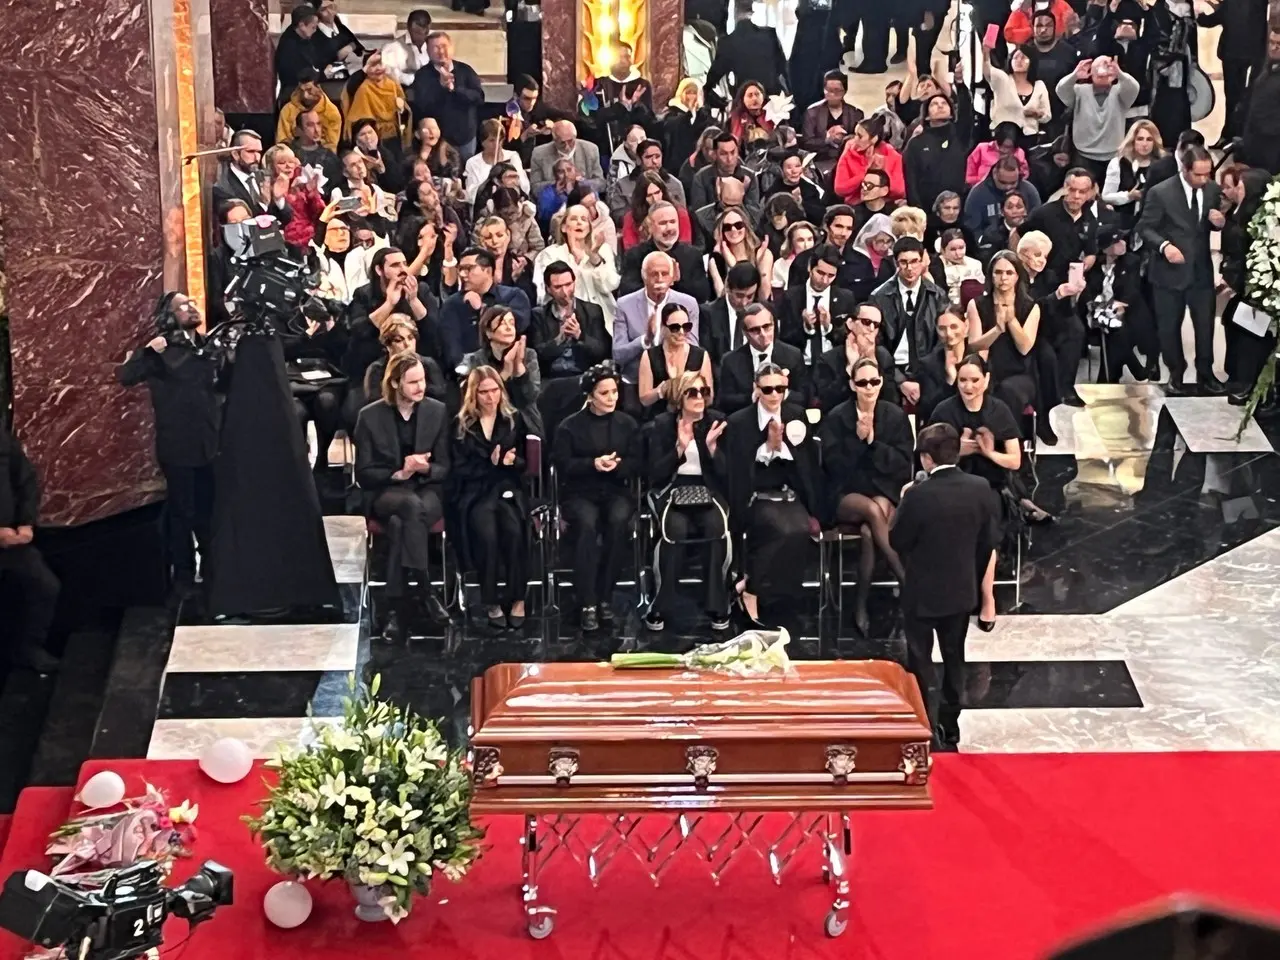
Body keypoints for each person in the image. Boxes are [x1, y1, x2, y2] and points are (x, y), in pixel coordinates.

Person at [889, 422, 998, 749]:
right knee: (954, 657)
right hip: (960, 591)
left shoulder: (918, 495)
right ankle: (951, 724)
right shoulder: (980, 488)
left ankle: (925, 722)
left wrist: (904, 500)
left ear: (925, 458)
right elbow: (988, 541)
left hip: (921, 594)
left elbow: (897, 540)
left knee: (920, 659)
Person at [116, 293, 219, 592]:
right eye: (182, 306)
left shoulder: (207, 346)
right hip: (178, 443)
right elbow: (126, 376)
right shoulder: (162, 351)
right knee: (182, 511)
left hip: (209, 440)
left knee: (208, 508)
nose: (190, 308)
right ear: (170, 315)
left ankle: (212, 565)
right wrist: (148, 352)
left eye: (191, 304)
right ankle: (184, 574)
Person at [354, 352, 452, 639]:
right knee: (408, 505)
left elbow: (445, 467)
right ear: (395, 383)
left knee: (401, 524)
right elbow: (364, 474)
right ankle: (425, 588)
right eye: (412, 382)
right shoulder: (369, 417)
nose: (421, 387)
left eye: (422, 380)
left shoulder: (437, 411)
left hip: (427, 490)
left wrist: (424, 468)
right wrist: (398, 474)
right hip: (387, 491)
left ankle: (395, 609)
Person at [819, 356, 912, 635]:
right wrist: (858, 442)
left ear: (881, 383)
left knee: (871, 531)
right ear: (852, 384)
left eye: (874, 382)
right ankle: (906, 579)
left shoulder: (894, 416)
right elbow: (832, 467)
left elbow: (903, 464)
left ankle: (860, 604)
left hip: (883, 489)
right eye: (862, 383)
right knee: (872, 511)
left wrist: (873, 442)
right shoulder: (837, 417)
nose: (869, 387)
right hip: (844, 493)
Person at [724, 363, 821, 626]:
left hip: (788, 493)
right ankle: (753, 589)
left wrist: (783, 448)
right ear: (756, 390)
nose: (775, 395)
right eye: (768, 389)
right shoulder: (739, 421)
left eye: (780, 389)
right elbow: (736, 470)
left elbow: (807, 461)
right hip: (755, 496)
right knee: (781, 530)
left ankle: (777, 593)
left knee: (800, 530)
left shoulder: (796, 415)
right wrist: (766, 449)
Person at [552, 363, 639, 630]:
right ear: (590, 396)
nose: (612, 398)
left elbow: (639, 463)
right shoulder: (569, 427)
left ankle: (605, 597)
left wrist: (618, 465)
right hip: (580, 491)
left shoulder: (628, 423)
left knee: (618, 520)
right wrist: (593, 464)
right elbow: (562, 464)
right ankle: (587, 600)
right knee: (587, 526)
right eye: (605, 393)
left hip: (615, 489)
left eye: (614, 392)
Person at [644, 369, 732, 632]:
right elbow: (654, 475)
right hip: (672, 486)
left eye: (703, 392)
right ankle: (661, 603)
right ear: (678, 397)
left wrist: (712, 449)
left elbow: (728, 475)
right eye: (691, 392)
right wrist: (679, 449)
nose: (699, 398)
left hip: (709, 488)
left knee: (717, 528)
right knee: (675, 530)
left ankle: (717, 602)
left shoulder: (718, 422)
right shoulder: (662, 424)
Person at [1135, 145, 1227, 395]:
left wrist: (1218, 223)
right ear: (1185, 170)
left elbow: (1212, 221)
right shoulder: (1160, 193)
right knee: (1169, 327)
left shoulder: (1212, 191)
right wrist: (1165, 247)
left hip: (1201, 273)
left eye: (1207, 174)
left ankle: (1206, 374)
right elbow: (1145, 228)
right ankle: (1175, 373)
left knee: (1205, 326)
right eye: (1198, 174)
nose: (1204, 179)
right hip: (1168, 273)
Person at [450, 366, 531, 630]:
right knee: (487, 534)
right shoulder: (462, 425)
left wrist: (510, 461)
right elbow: (458, 468)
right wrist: (491, 461)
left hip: (507, 487)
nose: (490, 397)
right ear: (473, 394)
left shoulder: (513, 420)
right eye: (484, 392)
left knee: (513, 530)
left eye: (495, 390)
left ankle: (518, 597)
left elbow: (527, 463)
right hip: (475, 491)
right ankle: (491, 600)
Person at [0, 426, 60, 673]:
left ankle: (28, 649)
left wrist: (25, 523)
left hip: (12, 540)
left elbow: (25, 479)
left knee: (46, 585)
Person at [530, 261, 612, 430]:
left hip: (582, 374)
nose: (565, 291)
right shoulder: (539, 315)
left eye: (568, 284)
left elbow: (602, 350)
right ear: (548, 289)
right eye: (558, 286)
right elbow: (537, 354)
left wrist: (579, 335)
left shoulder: (592, 310)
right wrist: (559, 339)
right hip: (551, 378)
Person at [966, 251, 1040, 424]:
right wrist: (997, 330)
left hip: (1020, 372)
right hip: (987, 368)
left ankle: (1008, 442)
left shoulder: (1031, 307)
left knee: (1008, 392)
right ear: (990, 276)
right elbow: (974, 346)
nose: (1003, 278)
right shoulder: (976, 305)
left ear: (1017, 276)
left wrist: (1011, 320)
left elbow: (1025, 347)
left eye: (1009, 273)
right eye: (998, 272)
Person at [438, 247, 533, 370]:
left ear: (488, 271)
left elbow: (520, 324)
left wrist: (483, 309)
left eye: (468, 269)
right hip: (468, 372)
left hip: (509, 367)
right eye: (460, 269)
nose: (462, 274)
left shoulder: (513, 296)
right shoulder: (452, 304)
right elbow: (451, 348)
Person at [870, 237, 948, 386]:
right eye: (904, 262)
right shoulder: (879, 297)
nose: (909, 268)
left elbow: (943, 338)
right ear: (896, 263)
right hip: (891, 372)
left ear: (922, 261)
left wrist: (927, 372)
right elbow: (876, 343)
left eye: (914, 261)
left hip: (930, 370)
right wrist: (899, 380)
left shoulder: (937, 295)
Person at [613, 250, 701, 382]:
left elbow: (694, 348)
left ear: (672, 278)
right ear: (644, 276)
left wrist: (669, 339)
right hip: (636, 380)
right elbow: (618, 355)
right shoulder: (624, 305)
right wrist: (646, 340)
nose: (660, 279)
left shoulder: (688, 304)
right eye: (654, 274)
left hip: (676, 379)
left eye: (665, 274)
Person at [1081, 224, 1151, 384]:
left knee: (1118, 332)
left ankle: (1106, 379)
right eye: (1118, 241)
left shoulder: (1131, 261)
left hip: (1128, 311)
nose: (1123, 243)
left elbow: (1131, 291)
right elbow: (1089, 292)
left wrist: (1114, 308)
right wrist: (1098, 308)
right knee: (1116, 332)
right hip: (1099, 311)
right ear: (1106, 248)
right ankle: (1134, 369)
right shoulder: (1096, 266)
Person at [1056, 57, 1140, 185]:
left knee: (1111, 195)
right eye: (1098, 67)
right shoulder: (1080, 91)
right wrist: (1075, 75)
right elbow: (1061, 90)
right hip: (1083, 155)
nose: (1103, 70)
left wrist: (1120, 73)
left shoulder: (1120, 92)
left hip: (1113, 155)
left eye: (1107, 66)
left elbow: (1134, 87)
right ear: (1091, 73)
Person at [533, 204, 620, 324]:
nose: (579, 223)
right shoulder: (549, 254)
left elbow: (611, 285)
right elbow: (542, 295)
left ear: (589, 227)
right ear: (563, 227)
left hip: (602, 318)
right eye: (574, 219)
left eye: (584, 219)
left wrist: (595, 258)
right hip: (562, 319)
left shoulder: (602, 250)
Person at [717, 302, 808, 414]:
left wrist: (781, 393)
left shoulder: (793, 355)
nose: (763, 334)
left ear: (774, 325)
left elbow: (804, 396)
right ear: (745, 333)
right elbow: (724, 401)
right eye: (755, 330)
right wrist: (754, 396)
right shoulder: (730, 361)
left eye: (767, 327)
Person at [1017, 166, 1098, 284]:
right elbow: (1017, 234)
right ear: (1064, 188)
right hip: (1040, 282)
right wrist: (1022, 267)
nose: (1076, 196)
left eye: (1082, 192)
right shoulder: (1044, 214)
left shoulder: (1090, 220)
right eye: (1072, 189)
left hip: (1067, 283)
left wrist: (1083, 267)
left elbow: (1091, 253)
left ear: (1089, 193)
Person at [618, 201, 712, 302]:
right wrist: (656, 285)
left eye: (673, 222)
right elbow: (626, 292)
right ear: (650, 227)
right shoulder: (635, 255)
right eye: (663, 223)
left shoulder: (693, 254)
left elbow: (702, 295)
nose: (669, 228)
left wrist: (677, 281)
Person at [781, 243, 857, 365]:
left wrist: (829, 328)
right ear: (810, 268)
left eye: (831, 276)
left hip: (833, 366)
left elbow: (849, 339)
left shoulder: (845, 298)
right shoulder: (791, 297)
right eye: (820, 273)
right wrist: (806, 328)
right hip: (802, 366)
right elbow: (784, 340)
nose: (825, 280)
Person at [814, 303, 899, 411]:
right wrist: (851, 369)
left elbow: (892, 401)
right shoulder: (828, 360)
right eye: (866, 322)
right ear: (850, 323)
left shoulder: (884, 357)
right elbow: (827, 402)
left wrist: (873, 365)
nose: (872, 329)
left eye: (876, 325)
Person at [414, 33, 485, 159]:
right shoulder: (422, 75)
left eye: (444, 46)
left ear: (451, 47)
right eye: (435, 47)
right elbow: (422, 106)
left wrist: (454, 89)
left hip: (466, 136)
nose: (441, 51)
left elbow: (478, 97)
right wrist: (441, 87)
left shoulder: (465, 70)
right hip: (439, 140)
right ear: (428, 52)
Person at [638, 302, 714, 415]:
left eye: (686, 327)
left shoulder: (701, 355)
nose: (681, 332)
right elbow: (644, 399)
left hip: (692, 416)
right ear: (663, 327)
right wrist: (661, 390)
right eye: (675, 328)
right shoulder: (650, 356)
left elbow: (709, 398)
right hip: (659, 417)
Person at [704, 3, 790, 98]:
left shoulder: (729, 43)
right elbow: (783, 69)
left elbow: (715, 74)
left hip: (747, 99)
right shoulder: (770, 36)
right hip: (772, 98)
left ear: (734, 14)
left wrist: (706, 90)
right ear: (752, 13)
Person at [902, 94, 969, 212]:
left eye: (944, 103)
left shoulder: (960, 136)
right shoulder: (916, 143)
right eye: (934, 104)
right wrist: (917, 211)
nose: (940, 106)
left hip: (957, 209)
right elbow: (911, 182)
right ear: (927, 116)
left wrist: (960, 84)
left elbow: (967, 110)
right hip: (926, 210)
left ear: (951, 112)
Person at [1100, 119, 1163, 244]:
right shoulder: (1118, 163)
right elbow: (1106, 196)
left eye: (1149, 139)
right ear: (1133, 140)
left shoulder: (1162, 165)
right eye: (1140, 139)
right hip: (1123, 224)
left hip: (1154, 225)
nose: (1144, 144)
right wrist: (1129, 196)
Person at [212, 130, 294, 223]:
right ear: (235, 154)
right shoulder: (223, 185)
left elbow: (287, 219)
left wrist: (279, 200)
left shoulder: (266, 177)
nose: (257, 157)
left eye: (259, 152)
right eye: (250, 152)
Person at [688, 132, 763, 222]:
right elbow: (699, 216)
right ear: (715, 155)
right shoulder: (701, 178)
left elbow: (753, 214)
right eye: (723, 154)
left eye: (733, 152)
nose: (729, 159)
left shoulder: (749, 176)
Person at [341, 52, 410, 150]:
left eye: (380, 64)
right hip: (372, 137)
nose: (378, 69)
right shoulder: (364, 89)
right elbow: (358, 120)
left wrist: (402, 108)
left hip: (394, 133)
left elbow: (405, 113)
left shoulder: (393, 84)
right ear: (366, 69)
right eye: (373, 65)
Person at [593, 41, 654, 152]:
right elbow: (594, 119)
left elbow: (649, 120)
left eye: (627, 56)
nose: (623, 61)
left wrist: (636, 105)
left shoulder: (642, 85)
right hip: (606, 147)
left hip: (637, 149)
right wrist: (620, 106)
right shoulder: (599, 84)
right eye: (618, 57)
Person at [982, 44, 1051, 141]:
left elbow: (1047, 115)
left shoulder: (1039, 85)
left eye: (1023, 58)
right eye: (1015, 58)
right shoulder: (1002, 79)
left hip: (1030, 137)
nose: (1019, 61)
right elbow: (988, 70)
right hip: (1003, 138)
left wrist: (1037, 114)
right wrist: (986, 53)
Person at [607, 139, 686, 222]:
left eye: (657, 156)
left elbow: (682, 215)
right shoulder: (622, 185)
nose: (654, 161)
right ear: (638, 159)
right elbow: (618, 216)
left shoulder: (674, 184)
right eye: (648, 157)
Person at [834, 116, 906, 205]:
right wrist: (864, 172)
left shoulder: (891, 155)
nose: (855, 139)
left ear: (874, 139)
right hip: (856, 206)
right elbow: (840, 188)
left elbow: (899, 191)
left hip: (883, 205)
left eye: (860, 136)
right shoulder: (849, 150)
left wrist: (883, 171)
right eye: (855, 134)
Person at [802, 70, 864, 170]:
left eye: (837, 91)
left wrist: (846, 139)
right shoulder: (812, 112)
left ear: (845, 91)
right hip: (820, 160)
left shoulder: (856, 113)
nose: (832, 94)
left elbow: (861, 141)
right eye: (828, 90)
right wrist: (827, 139)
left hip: (848, 159)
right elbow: (806, 142)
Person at [1240, 21, 1280, 174]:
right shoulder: (1266, 67)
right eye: (1271, 42)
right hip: (1254, 140)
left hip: (1273, 146)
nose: (1273, 47)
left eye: (1278, 44)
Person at [708, 207, 774, 300]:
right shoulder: (716, 259)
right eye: (727, 227)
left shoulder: (763, 253)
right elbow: (722, 298)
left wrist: (759, 269)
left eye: (738, 225)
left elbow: (764, 297)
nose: (733, 230)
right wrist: (733, 268)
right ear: (721, 232)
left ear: (746, 227)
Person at [916, 306, 969, 423]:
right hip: (944, 426)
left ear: (966, 327)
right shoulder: (928, 364)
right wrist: (950, 380)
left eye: (954, 327)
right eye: (942, 328)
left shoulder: (977, 360)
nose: (948, 334)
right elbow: (928, 409)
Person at [530, 121, 607, 198]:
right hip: (555, 202)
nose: (567, 146)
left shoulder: (591, 149)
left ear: (575, 137)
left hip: (584, 200)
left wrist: (580, 184)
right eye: (562, 143)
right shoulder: (539, 154)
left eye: (570, 141)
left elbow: (601, 183)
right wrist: (561, 183)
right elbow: (535, 188)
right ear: (554, 140)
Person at [620, 172, 694, 251]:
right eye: (649, 195)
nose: (655, 199)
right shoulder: (630, 218)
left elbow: (685, 244)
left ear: (663, 191)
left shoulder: (679, 213)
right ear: (642, 197)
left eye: (657, 192)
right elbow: (630, 249)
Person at [465, 118, 531, 203]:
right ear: (482, 142)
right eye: (492, 140)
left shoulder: (513, 156)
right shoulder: (473, 163)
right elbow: (471, 195)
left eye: (500, 140)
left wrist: (515, 182)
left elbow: (525, 187)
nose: (497, 144)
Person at [276, 68, 342, 151]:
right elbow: (282, 144)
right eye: (301, 90)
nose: (305, 95)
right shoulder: (287, 110)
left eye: (309, 90)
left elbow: (331, 145)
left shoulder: (332, 112)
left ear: (319, 88)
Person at [844, 213, 897, 303]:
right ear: (870, 238)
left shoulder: (892, 260)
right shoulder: (855, 255)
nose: (885, 246)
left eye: (889, 241)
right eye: (880, 241)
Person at [275, 4, 323, 101]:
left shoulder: (303, 35)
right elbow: (294, 75)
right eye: (313, 27)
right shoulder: (289, 46)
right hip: (294, 94)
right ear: (302, 25)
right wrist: (323, 74)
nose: (315, 30)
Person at [965, 122, 1030, 189]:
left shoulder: (1019, 153)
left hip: (1010, 191)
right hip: (982, 189)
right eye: (1002, 146)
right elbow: (969, 176)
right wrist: (980, 182)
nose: (1004, 150)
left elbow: (1024, 177)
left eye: (1009, 147)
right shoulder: (982, 148)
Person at [288, 109, 343, 188]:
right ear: (298, 130)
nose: (317, 130)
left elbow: (338, 186)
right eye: (310, 125)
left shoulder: (329, 157)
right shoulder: (288, 154)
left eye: (318, 124)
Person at [380, 8, 433, 89]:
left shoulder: (433, 43)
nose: (422, 36)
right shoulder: (393, 48)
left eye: (426, 32)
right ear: (408, 27)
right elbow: (390, 75)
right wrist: (420, 80)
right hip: (405, 91)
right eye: (417, 32)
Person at [932, 228, 985, 304]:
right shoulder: (936, 266)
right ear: (943, 250)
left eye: (961, 248)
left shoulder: (975, 264)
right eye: (953, 249)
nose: (958, 253)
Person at [772, 220, 817, 299]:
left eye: (810, 239)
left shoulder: (821, 262)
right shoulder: (780, 264)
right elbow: (777, 296)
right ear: (791, 243)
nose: (807, 245)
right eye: (801, 240)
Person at [313, 0, 365, 68]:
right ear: (317, 13)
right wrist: (338, 55)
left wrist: (351, 47)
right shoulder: (315, 35)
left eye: (331, 7)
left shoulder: (341, 27)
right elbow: (319, 61)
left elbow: (358, 46)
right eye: (323, 10)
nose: (330, 12)